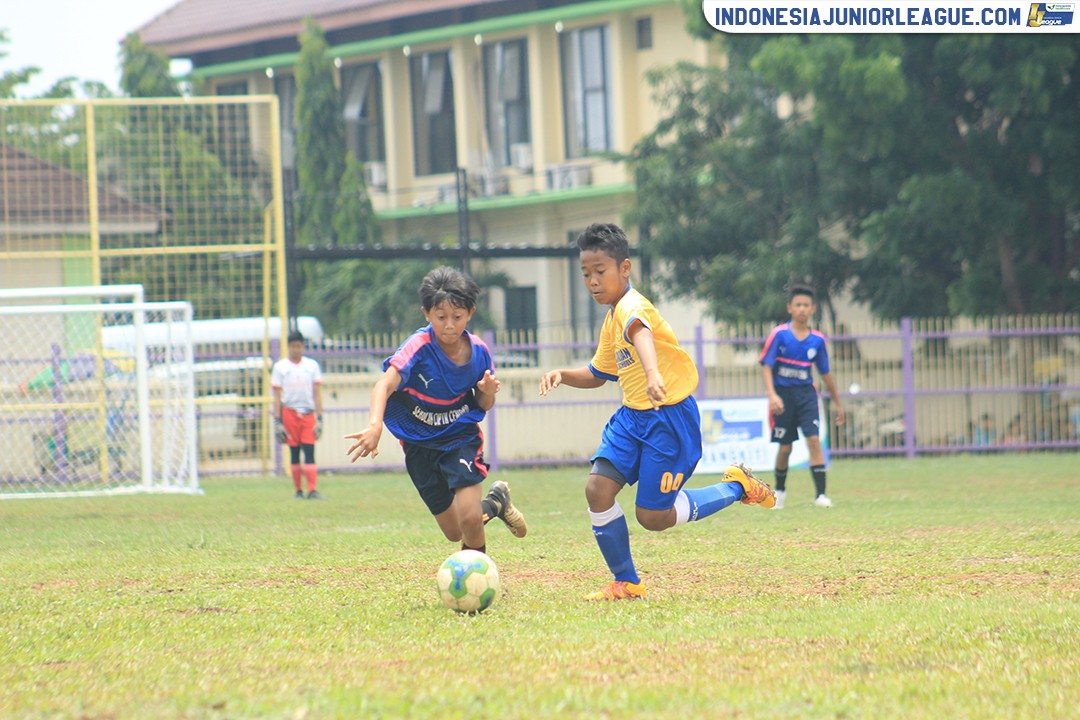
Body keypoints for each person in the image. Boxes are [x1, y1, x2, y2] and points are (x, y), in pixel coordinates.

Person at [538, 223, 776, 602]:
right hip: (632, 418)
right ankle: (627, 582)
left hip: (669, 419)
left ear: (625, 268)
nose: (592, 281)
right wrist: (563, 374)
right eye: (585, 274)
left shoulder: (632, 306)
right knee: (597, 489)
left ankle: (737, 486)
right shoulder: (611, 318)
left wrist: (652, 373)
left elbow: (642, 334)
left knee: (652, 518)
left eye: (600, 271)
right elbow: (599, 374)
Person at [344, 266, 527, 557]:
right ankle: (495, 503)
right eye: (441, 317)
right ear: (427, 314)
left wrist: (487, 393)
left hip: (459, 438)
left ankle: (478, 576)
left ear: (470, 313)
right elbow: (384, 385)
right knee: (455, 531)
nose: (450, 325)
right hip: (419, 444)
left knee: (470, 519)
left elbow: (482, 405)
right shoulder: (418, 347)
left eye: (457, 317)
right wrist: (375, 425)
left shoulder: (479, 352)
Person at [760, 283, 845, 509]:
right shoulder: (779, 334)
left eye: (806, 305)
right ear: (790, 308)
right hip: (783, 397)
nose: (802, 309)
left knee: (814, 441)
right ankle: (779, 492)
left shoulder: (817, 340)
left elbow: (825, 373)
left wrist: (837, 402)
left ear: (812, 309)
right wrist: (772, 395)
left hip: (807, 395)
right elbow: (766, 366)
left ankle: (821, 495)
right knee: (785, 447)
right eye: (798, 305)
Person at [272, 330, 324, 499]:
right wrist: (277, 421)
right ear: (288, 347)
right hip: (289, 413)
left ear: (303, 346)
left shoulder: (311, 366)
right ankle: (298, 490)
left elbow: (317, 393)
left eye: (299, 346)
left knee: (309, 451)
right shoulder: (280, 367)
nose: (296, 349)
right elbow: (277, 396)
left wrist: (320, 418)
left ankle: (312, 490)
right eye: (293, 346)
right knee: (294, 452)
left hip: (308, 413)